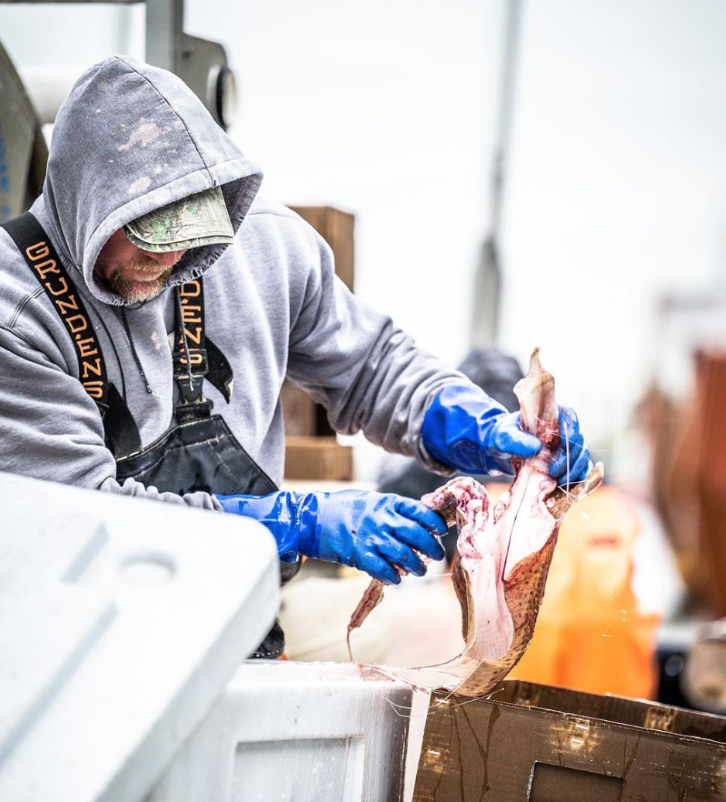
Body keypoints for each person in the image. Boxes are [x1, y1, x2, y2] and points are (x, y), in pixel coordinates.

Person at [0, 57, 591, 656]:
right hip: (75, 643)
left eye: (192, 230)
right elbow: (84, 521)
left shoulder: (261, 247)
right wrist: (298, 523)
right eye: (149, 233)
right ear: (86, 197)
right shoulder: (14, 312)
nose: (173, 256)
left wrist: (472, 423)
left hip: (236, 615)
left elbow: (371, 367)